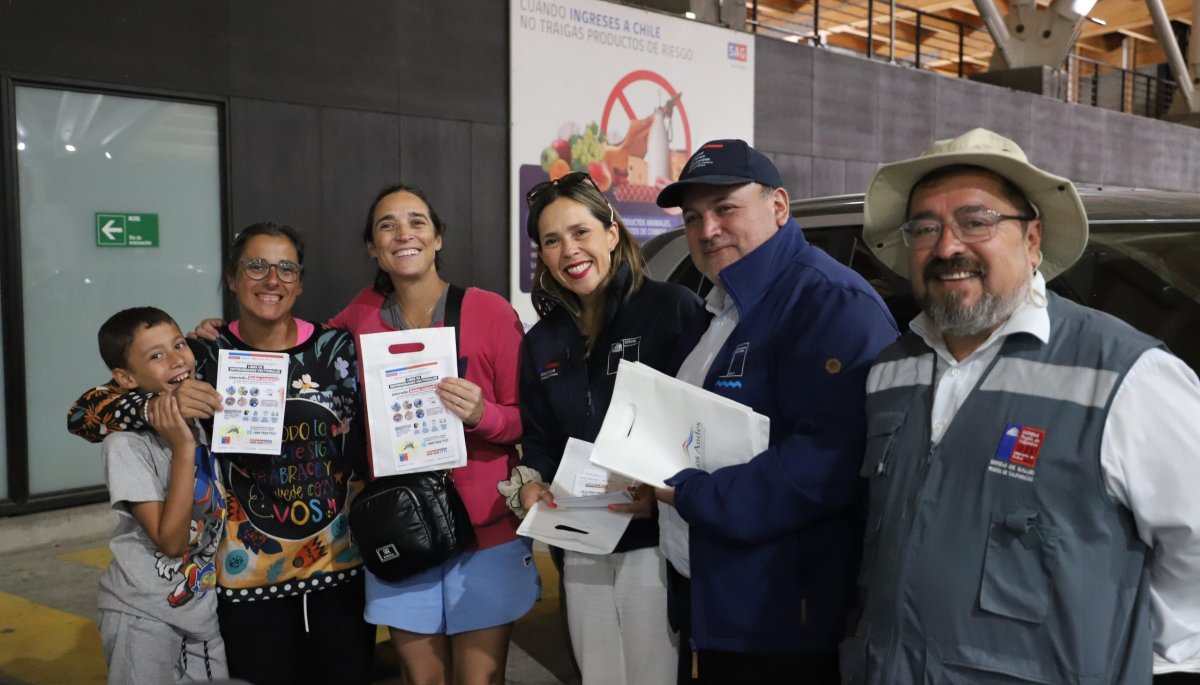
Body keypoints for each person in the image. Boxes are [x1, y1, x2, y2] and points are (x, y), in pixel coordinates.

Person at [843, 128, 1200, 683]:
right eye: (925, 228)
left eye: (976, 221)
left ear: (1033, 240)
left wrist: (1138, 659)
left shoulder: (1127, 375)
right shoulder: (892, 370)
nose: (947, 248)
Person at [68, 223, 377, 684]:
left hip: (339, 566)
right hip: (246, 578)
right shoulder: (202, 356)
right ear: (231, 278)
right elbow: (83, 415)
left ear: (299, 282)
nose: (272, 279)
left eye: (286, 269)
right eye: (257, 266)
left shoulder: (336, 350)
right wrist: (160, 405)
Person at [651, 140, 899, 684]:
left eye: (725, 208)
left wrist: (691, 493)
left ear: (779, 206)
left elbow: (825, 464)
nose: (707, 229)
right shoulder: (718, 308)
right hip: (712, 599)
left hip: (779, 615)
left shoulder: (830, 302)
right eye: (692, 217)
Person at [501, 171, 709, 684]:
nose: (569, 250)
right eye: (552, 240)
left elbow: (699, 428)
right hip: (578, 537)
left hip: (654, 542)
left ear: (612, 232)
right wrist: (531, 483)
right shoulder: (543, 341)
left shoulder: (672, 309)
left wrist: (658, 490)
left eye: (580, 232)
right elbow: (542, 439)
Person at [328, 184, 538, 685]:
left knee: (479, 680)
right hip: (399, 525)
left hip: (485, 530)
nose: (404, 233)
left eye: (417, 222)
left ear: (438, 238)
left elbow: (529, 418)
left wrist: (483, 415)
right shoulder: (360, 316)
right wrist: (222, 335)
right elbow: (300, 350)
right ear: (372, 247)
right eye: (387, 225)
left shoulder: (488, 311)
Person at [93, 307, 228, 684]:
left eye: (179, 345)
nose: (176, 359)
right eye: (156, 355)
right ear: (125, 378)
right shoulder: (125, 446)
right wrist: (183, 449)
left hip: (199, 611)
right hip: (142, 615)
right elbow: (170, 541)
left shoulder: (200, 422)